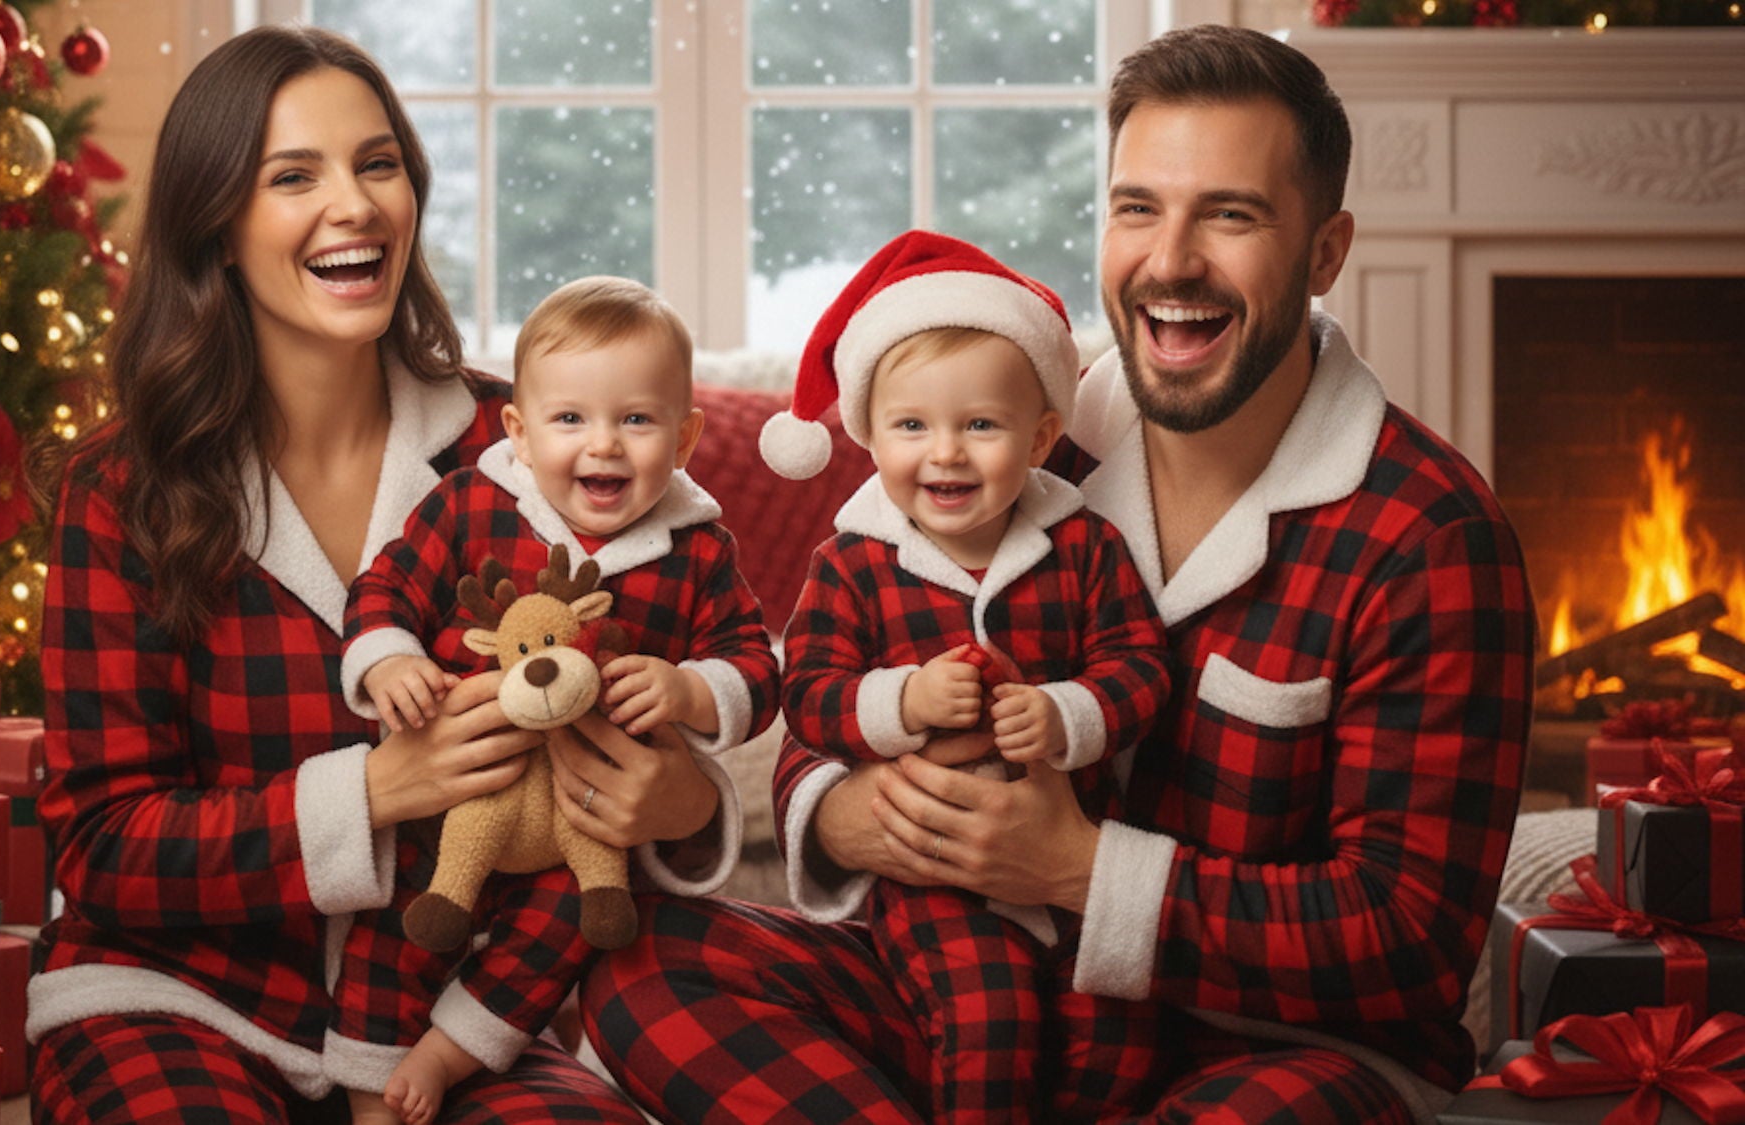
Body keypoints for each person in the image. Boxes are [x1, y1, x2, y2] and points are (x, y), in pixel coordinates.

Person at [582, 24, 1534, 1125]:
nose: (1169, 261)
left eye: (1228, 215)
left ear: (1323, 253)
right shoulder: (1018, 445)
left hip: (1272, 1046)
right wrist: (853, 816)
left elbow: (1407, 944)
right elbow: (821, 718)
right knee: (639, 968)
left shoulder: (1428, 536)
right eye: (1137, 208)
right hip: (981, 995)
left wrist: (1078, 869)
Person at [29, 27, 733, 1124]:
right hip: (172, 995)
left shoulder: (526, 454)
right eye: (292, 176)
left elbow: (673, 666)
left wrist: (685, 800)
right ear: (217, 224)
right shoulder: (121, 491)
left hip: (438, 1025)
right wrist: (372, 794)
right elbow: (103, 844)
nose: (353, 204)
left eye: (377, 163)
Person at [337, 275, 779, 1125]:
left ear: (685, 436)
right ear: (520, 430)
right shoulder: (473, 503)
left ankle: (450, 1051)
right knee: (397, 923)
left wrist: (691, 688)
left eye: (637, 420)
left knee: (570, 929)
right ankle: (369, 1091)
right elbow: (386, 585)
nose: (603, 446)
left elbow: (756, 668)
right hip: (458, 793)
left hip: (580, 832)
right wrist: (388, 661)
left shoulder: (698, 551)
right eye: (570, 419)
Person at [757, 230, 1172, 1122]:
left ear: (1041, 436)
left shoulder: (1084, 546)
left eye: (980, 424)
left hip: (1073, 857)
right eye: (912, 426)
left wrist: (1066, 713)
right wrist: (900, 699)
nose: (944, 453)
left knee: (1121, 1032)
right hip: (933, 881)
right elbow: (810, 695)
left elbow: (1141, 667)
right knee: (992, 1018)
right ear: (868, 434)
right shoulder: (853, 564)